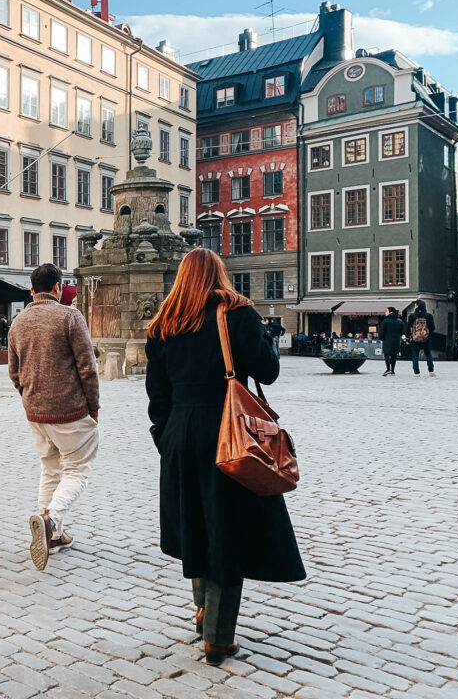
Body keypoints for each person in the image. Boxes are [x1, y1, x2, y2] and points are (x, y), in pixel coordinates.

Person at [144, 248, 305, 664]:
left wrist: (163, 435)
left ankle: (203, 610)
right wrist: (265, 335)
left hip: (180, 432)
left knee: (195, 521)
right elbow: (267, 371)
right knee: (227, 529)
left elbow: (156, 393)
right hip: (227, 432)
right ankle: (218, 636)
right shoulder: (237, 312)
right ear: (220, 274)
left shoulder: (164, 322)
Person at [7, 263, 100, 571]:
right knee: (77, 471)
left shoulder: (18, 322)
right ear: (58, 288)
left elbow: (13, 371)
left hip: (35, 410)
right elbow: (87, 366)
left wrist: (27, 395)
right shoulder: (70, 316)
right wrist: (93, 406)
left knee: (50, 470)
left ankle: (53, 535)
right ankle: (50, 519)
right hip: (69, 409)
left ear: (32, 290)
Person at [407, 299, 436, 377]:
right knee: (428, 355)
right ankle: (431, 371)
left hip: (415, 339)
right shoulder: (428, 316)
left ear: (416, 306)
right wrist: (428, 334)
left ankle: (417, 372)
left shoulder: (412, 316)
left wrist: (408, 337)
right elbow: (432, 327)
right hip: (426, 339)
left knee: (415, 355)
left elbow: (408, 327)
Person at [379, 307, 404, 376]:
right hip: (396, 340)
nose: (385, 312)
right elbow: (402, 331)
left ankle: (388, 369)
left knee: (387, 354)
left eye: (386, 311)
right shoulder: (399, 321)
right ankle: (392, 370)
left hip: (387, 340)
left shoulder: (385, 321)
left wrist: (381, 338)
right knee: (394, 355)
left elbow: (381, 331)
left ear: (390, 312)